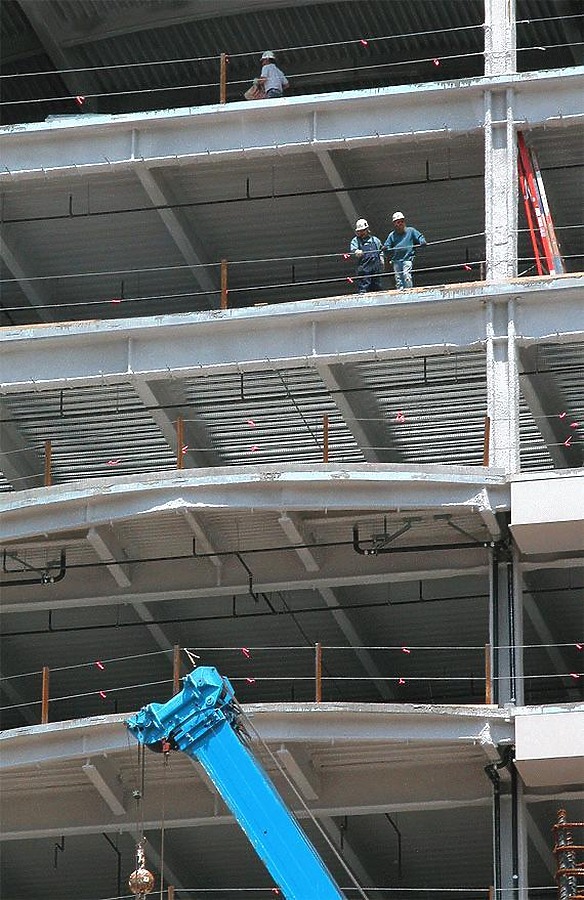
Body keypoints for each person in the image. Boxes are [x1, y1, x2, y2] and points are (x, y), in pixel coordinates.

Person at [383, 211, 426, 289]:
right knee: (398, 279)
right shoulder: (392, 235)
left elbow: (419, 236)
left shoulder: (411, 231)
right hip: (396, 260)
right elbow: (387, 245)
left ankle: (409, 291)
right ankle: (400, 293)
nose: (400, 224)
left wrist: (422, 241)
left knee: (406, 275)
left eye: (402, 222)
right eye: (398, 222)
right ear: (394, 224)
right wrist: (385, 248)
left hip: (407, 258)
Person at [349, 218, 385, 293]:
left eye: (363, 230)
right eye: (360, 231)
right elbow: (353, 250)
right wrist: (356, 251)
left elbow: (380, 250)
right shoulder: (356, 241)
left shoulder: (375, 240)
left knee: (377, 287)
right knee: (364, 287)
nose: (361, 233)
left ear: (367, 229)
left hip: (376, 269)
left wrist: (382, 259)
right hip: (364, 269)